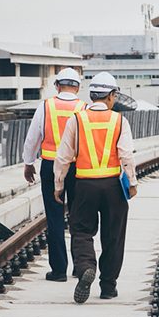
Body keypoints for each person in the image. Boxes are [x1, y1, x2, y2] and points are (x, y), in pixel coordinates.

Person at [53, 71, 138, 304]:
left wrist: (58, 185)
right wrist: (131, 183)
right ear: (111, 96)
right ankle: (108, 286)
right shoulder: (120, 121)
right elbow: (126, 156)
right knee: (114, 236)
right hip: (112, 186)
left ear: (91, 95)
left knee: (81, 231)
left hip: (84, 186)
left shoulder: (76, 119)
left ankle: (85, 267)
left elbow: (63, 157)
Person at [22, 68, 85, 282]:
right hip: (77, 168)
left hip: (50, 166)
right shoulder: (83, 108)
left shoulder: (46, 106)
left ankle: (59, 271)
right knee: (78, 217)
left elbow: (32, 138)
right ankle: (80, 266)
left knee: (55, 218)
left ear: (57, 85)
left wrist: (28, 163)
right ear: (78, 87)